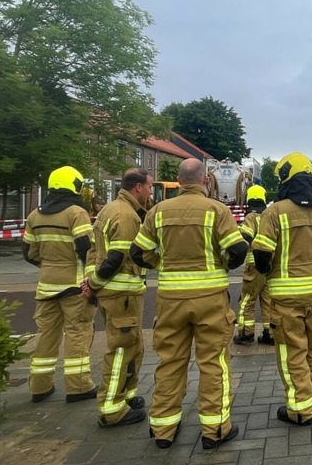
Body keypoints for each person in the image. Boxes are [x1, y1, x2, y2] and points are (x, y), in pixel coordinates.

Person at [130, 158, 247, 449]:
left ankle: (163, 429)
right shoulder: (216, 210)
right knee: (213, 363)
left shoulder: (157, 211)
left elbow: (137, 252)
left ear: (179, 181)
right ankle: (215, 429)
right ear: (205, 181)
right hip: (210, 300)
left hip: (170, 301)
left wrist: (162, 263)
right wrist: (221, 266)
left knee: (170, 362)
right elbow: (238, 249)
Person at [252, 153, 312, 426]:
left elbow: (261, 254)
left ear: (286, 179)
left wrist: (270, 272)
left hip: (285, 298)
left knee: (292, 351)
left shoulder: (274, 212)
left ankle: (301, 409)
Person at [82, 168, 153, 428]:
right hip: (121, 294)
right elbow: (116, 257)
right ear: (138, 187)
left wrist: (91, 283)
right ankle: (111, 408)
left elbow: (92, 251)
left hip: (119, 294)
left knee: (134, 346)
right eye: (149, 186)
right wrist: (94, 284)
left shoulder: (109, 210)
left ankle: (127, 396)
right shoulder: (126, 216)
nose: (151, 191)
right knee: (121, 350)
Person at [23, 166, 97, 403]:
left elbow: (29, 253)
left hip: (46, 286)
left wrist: (49, 268)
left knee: (45, 335)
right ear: (74, 186)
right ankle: (78, 387)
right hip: (74, 287)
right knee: (77, 333)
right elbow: (87, 249)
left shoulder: (35, 215)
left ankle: (39, 387)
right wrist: (92, 280)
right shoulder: (76, 213)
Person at [234, 185, 275, 346]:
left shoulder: (251, 217)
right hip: (269, 267)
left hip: (254, 267)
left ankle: (246, 333)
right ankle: (269, 334)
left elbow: (246, 235)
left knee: (247, 301)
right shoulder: (269, 217)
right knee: (267, 300)